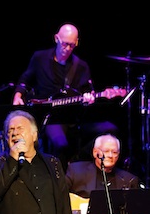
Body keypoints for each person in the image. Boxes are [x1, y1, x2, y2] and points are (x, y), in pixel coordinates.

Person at [12, 23, 118, 169]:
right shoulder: (40, 58)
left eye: (72, 45)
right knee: (60, 143)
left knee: (109, 128)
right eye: (65, 44)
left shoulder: (81, 66)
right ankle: (60, 178)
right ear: (56, 39)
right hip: (50, 116)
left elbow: (88, 92)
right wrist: (18, 96)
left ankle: (76, 161)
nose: (67, 49)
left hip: (75, 115)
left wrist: (89, 98)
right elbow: (25, 81)